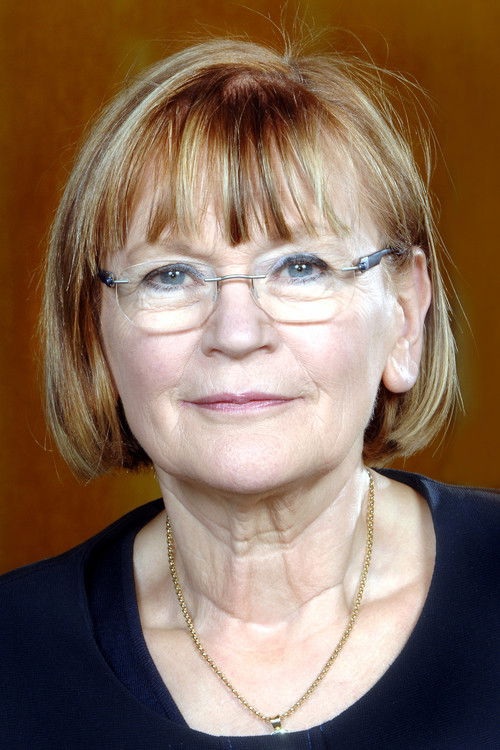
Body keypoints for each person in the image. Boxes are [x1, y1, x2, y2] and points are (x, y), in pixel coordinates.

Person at [1, 37, 498, 749]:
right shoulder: (14, 658)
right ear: (94, 332)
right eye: (171, 276)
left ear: (404, 316)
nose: (236, 332)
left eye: (301, 267)